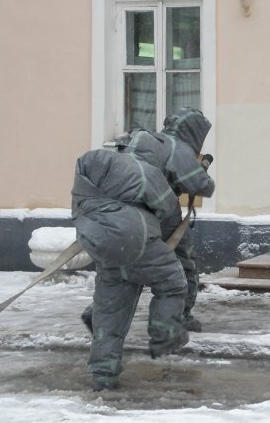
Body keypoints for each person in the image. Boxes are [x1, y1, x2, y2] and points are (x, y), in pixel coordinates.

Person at [72, 148, 188, 392]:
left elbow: (80, 208)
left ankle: (103, 375)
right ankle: (165, 334)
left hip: (101, 241)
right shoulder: (144, 170)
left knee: (110, 310)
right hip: (135, 236)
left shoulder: (89, 171)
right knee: (172, 282)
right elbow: (167, 207)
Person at [115, 107, 215, 332]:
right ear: (194, 131)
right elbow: (202, 187)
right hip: (161, 211)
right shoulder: (179, 148)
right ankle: (180, 314)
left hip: (124, 212)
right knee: (183, 260)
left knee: (123, 266)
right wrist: (202, 172)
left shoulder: (154, 144)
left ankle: (102, 314)